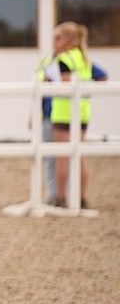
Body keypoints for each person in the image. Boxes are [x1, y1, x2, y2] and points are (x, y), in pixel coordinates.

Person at [44, 22, 107, 208]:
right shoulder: (84, 59)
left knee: (62, 156)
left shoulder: (64, 59)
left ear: (69, 40)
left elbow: (64, 83)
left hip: (64, 113)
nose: (54, 42)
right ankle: (81, 197)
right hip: (82, 113)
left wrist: (51, 82)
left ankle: (61, 197)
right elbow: (103, 78)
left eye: (58, 38)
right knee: (79, 156)